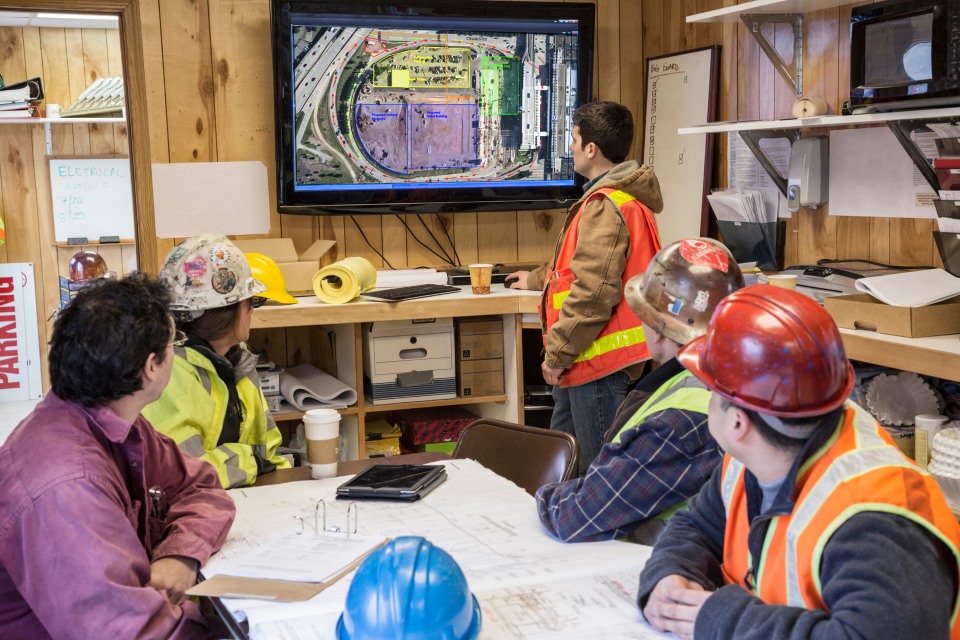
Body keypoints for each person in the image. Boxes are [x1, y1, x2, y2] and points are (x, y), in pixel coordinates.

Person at [639, 284, 960, 640]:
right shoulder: (758, 454)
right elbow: (697, 526)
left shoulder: (873, 519)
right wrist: (669, 574)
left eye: (711, 392)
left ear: (737, 423)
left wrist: (724, 620)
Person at [0, 273, 235, 638]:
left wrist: (180, 554)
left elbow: (200, 486)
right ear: (151, 367)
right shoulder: (68, 485)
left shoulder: (108, 419)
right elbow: (131, 633)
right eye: (176, 342)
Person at [536, 238, 743, 543]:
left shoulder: (679, 422)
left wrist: (539, 492)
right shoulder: (729, 379)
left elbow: (576, 516)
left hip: (651, 568)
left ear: (659, 329)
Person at [507, 101, 664, 474]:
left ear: (591, 148)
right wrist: (532, 279)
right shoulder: (617, 199)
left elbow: (593, 293)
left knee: (598, 476)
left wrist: (556, 354)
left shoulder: (605, 205)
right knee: (562, 469)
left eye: (574, 139)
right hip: (585, 361)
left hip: (595, 363)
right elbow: (577, 265)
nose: (571, 147)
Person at [143, 235, 292, 488]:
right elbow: (181, 475)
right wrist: (249, 462)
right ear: (228, 309)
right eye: (251, 302)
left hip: (249, 500)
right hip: (192, 512)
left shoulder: (237, 361)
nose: (252, 311)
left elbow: (269, 456)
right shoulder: (170, 374)